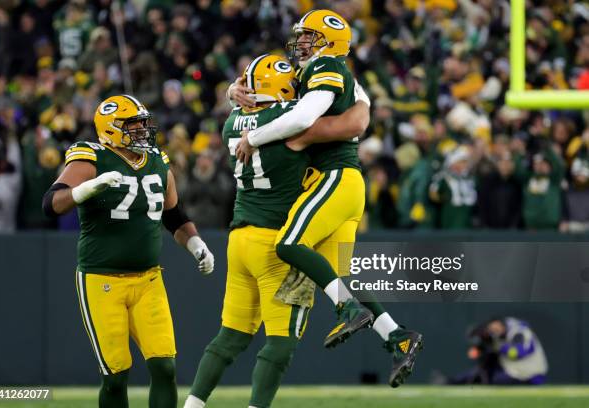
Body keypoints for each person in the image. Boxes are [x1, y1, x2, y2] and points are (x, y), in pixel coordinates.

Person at [232, 9, 423, 387]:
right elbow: (358, 101)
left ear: (329, 43)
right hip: (345, 183)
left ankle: (348, 309)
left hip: (334, 177)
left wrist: (252, 137)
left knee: (288, 244)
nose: (301, 43)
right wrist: (232, 90)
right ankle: (398, 337)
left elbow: (303, 119)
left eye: (309, 37)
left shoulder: (327, 68)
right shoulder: (328, 70)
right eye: (302, 36)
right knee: (340, 272)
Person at [184, 54, 369, 408]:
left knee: (230, 337)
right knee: (282, 342)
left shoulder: (231, 122)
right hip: (275, 243)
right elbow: (342, 116)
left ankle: (193, 405)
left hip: (238, 241)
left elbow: (254, 102)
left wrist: (229, 93)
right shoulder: (290, 121)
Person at [42, 94, 215, 408]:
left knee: (165, 367)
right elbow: (51, 204)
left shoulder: (157, 161)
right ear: (110, 128)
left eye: (142, 122)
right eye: (131, 123)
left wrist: (195, 243)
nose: (140, 129)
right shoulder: (90, 157)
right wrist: (85, 190)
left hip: (148, 281)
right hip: (101, 281)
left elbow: (174, 215)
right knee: (116, 375)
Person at [446, 317, 548, 385]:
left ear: (503, 325)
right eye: (491, 329)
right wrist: (482, 346)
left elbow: (517, 353)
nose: (494, 331)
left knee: (494, 379)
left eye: (496, 328)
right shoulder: (498, 338)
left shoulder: (519, 333)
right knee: (482, 371)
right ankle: (451, 381)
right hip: (514, 372)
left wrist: (497, 347)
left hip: (532, 375)